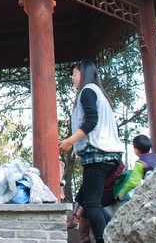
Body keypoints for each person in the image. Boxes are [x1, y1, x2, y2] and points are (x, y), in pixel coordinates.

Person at [59, 60, 125, 243]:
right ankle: (74, 220)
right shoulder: (99, 94)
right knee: (83, 196)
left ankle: (104, 239)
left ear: (85, 74)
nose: (73, 78)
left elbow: (91, 122)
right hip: (109, 155)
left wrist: (69, 142)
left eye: (75, 74)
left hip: (98, 155)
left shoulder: (87, 91)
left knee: (92, 204)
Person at [115, 134, 156, 200]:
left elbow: (133, 182)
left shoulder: (140, 163)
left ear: (136, 150)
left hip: (152, 188)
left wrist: (121, 193)